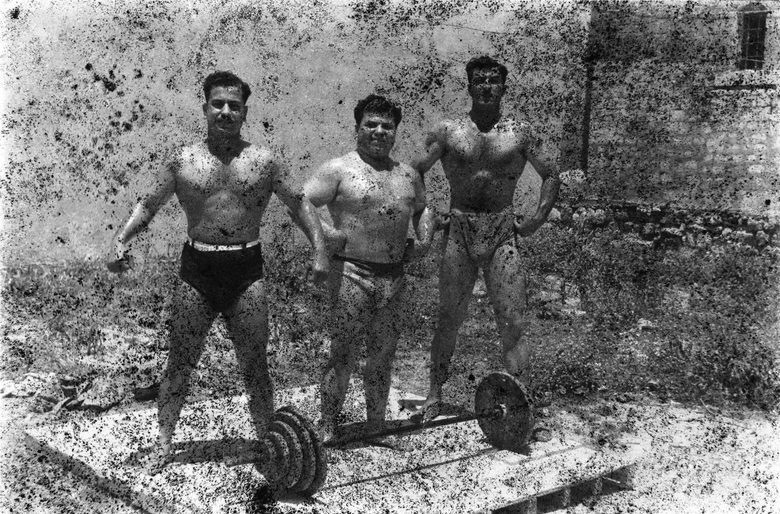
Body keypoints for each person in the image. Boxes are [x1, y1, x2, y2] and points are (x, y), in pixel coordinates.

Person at [106, 71, 329, 474]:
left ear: (245, 112)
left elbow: (300, 205)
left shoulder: (264, 161)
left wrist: (319, 250)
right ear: (205, 107)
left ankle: (268, 445)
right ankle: (163, 442)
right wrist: (121, 239)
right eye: (218, 104)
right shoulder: (183, 160)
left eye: (234, 106)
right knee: (180, 362)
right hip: (198, 269)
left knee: (255, 364)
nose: (225, 111)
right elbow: (148, 204)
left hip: (246, 270)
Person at [411, 56, 560, 440]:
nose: (487, 86)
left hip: (501, 232)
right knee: (449, 318)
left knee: (512, 322)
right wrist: (427, 215)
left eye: (494, 80)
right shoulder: (448, 131)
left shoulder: (520, 133)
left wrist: (536, 219)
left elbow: (550, 174)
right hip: (459, 228)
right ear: (470, 86)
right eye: (480, 80)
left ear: (504, 87)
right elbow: (414, 172)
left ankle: (528, 410)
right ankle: (434, 394)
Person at [302, 94, 435, 445]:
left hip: (394, 275)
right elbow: (301, 202)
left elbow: (423, 209)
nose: (378, 132)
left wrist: (423, 240)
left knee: (383, 355)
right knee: (342, 353)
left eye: (386, 126)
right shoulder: (339, 168)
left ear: (395, 132)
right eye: (370, 125)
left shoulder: (407, 173)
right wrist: (325, 235)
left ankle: (376, 426)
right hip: (351, 273)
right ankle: (327, 425)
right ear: (357, 128)